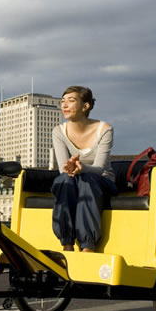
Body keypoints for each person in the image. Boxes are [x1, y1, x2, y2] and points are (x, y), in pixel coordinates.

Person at [51, 86, 117, 252]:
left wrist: (82, 168)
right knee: (63, 181)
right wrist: (71, 169)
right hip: (74, 179)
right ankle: (67, 244)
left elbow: (100, 169)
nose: (64, 105)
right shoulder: (58, 132)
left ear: (85, 106)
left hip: (102, 181)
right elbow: (63, 171)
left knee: (86, 181)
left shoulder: (105, 129)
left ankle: (88, 246)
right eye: (63, 101)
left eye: (71, 101)